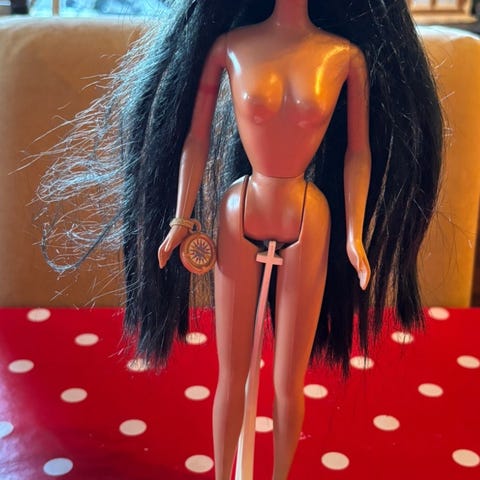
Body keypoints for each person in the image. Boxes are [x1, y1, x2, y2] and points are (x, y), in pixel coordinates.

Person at [38, 1, 443, 478]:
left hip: (308, 218)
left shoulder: (344, 57)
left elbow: (359, 152)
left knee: (288, 381)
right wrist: (180, 217)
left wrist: (354, 234)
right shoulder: (230, 48)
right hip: (240, 209)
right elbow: (196, 139)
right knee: (231, 374)